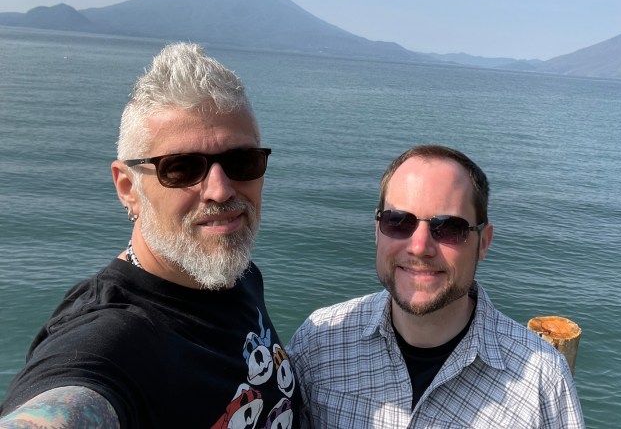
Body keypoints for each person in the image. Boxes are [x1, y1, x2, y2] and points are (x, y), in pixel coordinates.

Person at [0, 43, 299, 428]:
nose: (221, 190)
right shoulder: (115, 337)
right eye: (181, 168)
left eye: (243, 161)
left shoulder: (237, 275)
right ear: (127, 187)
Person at [287, 144, 584, 428]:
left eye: (449, 228)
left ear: (484, 242)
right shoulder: (319, 342)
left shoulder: (542, 379)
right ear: (377, 230)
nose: (419, 247)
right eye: (398, 221)